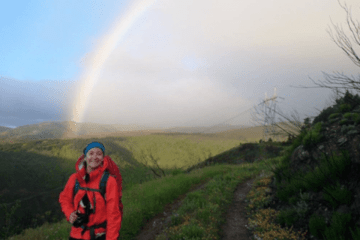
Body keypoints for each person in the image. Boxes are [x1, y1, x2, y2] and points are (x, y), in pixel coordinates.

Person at [59, 142, 122, 240]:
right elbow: (65, 198)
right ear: (85, 157)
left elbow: (113, 214)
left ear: (103, 158)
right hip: (77, 233)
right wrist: (70, 213)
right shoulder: (74, 178)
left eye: (99, 154)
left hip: (99, 235)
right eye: (91, 153)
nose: (95, 157)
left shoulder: (109, 181)